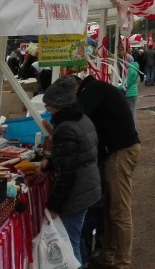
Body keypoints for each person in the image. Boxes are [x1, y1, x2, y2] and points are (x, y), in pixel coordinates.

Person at [76, 74, 141, 269]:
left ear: (76, 88)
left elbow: (79, 117)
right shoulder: (99, 88)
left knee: (119, 211)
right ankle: (107, 256)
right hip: (119, 150)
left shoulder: (90, 91)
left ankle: (122, 263)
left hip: (120, 152)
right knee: (111, 209)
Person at [39, 77, 100, 267]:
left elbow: (67, 173)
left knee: (69, 243)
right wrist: (50, 163)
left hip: (76, 194)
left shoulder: (65, 128)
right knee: (76, 238)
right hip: (88, 187)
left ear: (59, 105)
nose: (48, 109)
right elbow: (76, 155)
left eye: (49, 105)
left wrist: (53, 207)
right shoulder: (82, 119)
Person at [121, 54, 139, 125]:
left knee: (130, 112)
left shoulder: (130, 70)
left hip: (129, 94)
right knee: (132, 111)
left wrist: (118, 87)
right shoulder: (133, 68)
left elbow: (127, 83)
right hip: (133, 93)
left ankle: (133, 127)